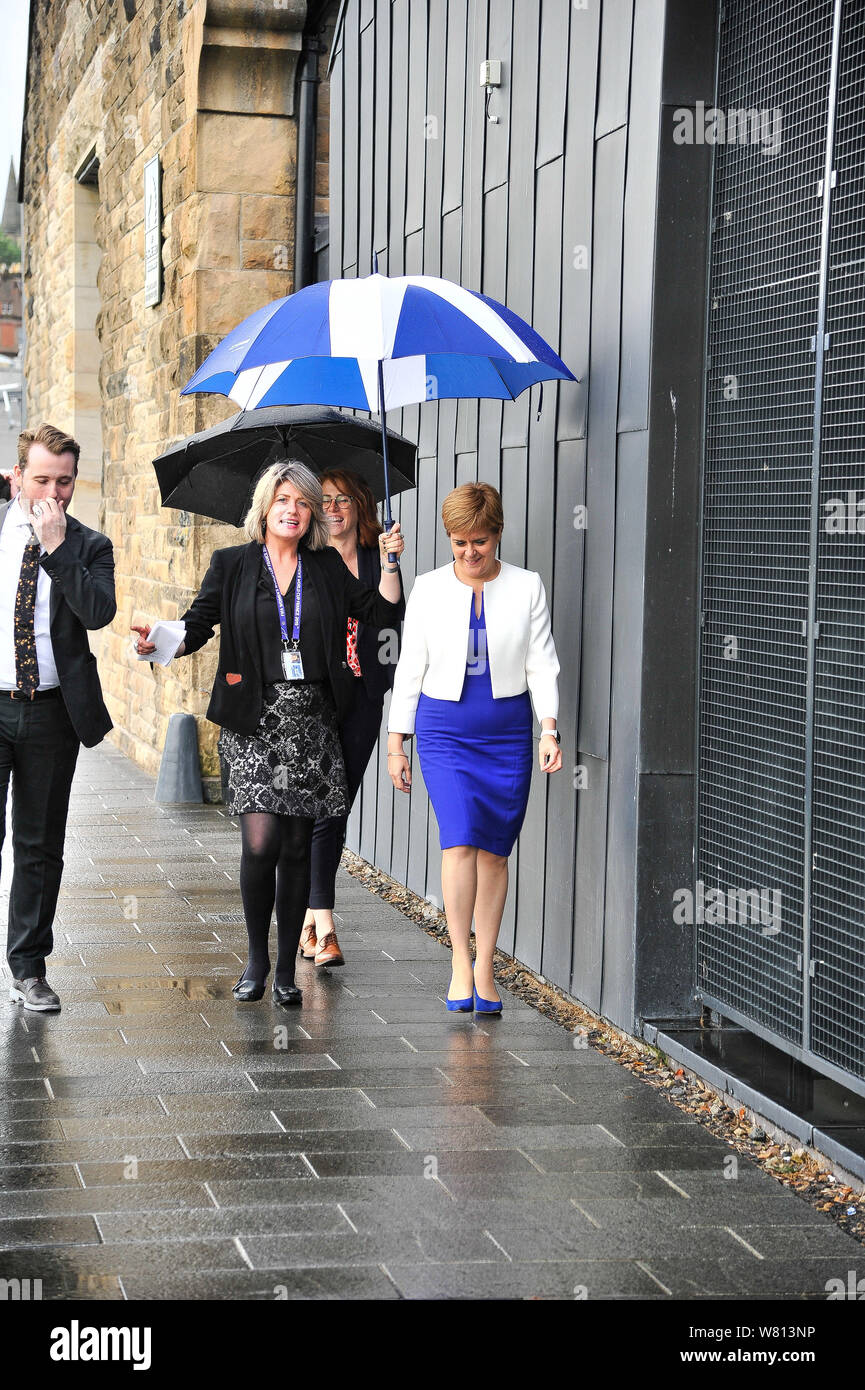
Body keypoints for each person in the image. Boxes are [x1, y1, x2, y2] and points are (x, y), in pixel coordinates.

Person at [132, 459, 404, 1008]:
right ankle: (256, 959)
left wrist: (391, 564)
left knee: (299, 845)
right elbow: (198, 623)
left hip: (312, 723)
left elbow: (378, 613)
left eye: (303, 503)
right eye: (284, 500)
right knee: (261, 842)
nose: (294, 510)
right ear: (265, 507)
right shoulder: (231, 564)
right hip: (255, 720)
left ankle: (284, 969)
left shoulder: (326, 569)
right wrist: (158, 641)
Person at [387, 482, 562, 1014]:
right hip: (444, 729)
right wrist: (398, 743)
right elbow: (409, 666)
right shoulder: (428, 588)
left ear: (497, 534)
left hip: (506, 731)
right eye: (459, 542)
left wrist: (548, 728)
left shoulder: (527, 586)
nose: (469, 552)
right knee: (458, 840)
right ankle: (459, 962)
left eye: (479, 542)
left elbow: (542, 662)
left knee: (494, 849)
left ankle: (486, 963)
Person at [2, 424, 116, 1012]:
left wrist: (57, 548)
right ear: (17, 475)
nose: (53, 491)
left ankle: (28, 968)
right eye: (41, 478)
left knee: (40, 844)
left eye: (64, 481)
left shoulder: (89, 545)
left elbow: (97, 613)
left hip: (50, 712)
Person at [299, 469, 402, 968]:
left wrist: (390, 562)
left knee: (335, 806)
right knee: (321, 805)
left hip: (362, 698)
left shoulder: (371, 560)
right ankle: (323, 923)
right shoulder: (307, 561)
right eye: (326, 500)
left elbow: (388, 618)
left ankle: (309, 919)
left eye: (344, 499)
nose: (334, 508)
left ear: (361, 506)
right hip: (316, 700)